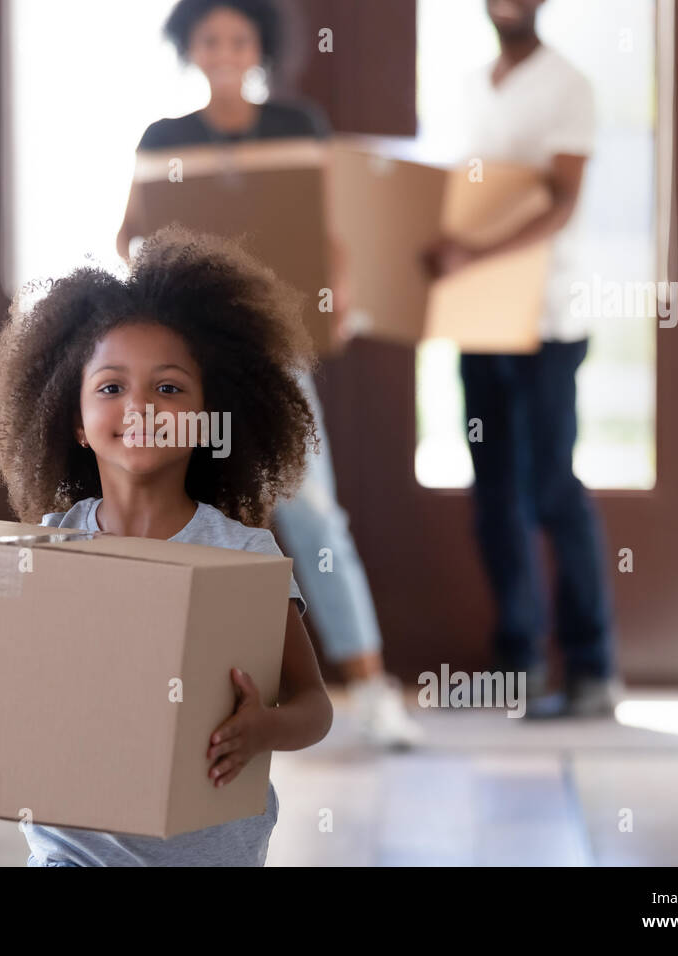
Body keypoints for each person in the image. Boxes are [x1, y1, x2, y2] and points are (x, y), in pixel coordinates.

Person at [117, 0, 423, 748]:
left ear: (260, 48)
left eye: (238, 38)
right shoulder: (165, 139)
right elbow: (129, 237)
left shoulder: (296, 126)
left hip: (276, 349)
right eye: (210, 38)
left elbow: (327, 235)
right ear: (190, 47)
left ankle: (368, 689)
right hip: (188, 353)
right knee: (182, 511)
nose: (224, 50)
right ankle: (166, 689)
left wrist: (337, 292)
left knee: (314, 515)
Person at [0, 225, 333, 865]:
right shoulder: (48, 548)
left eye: (168, 388)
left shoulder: (243, 555)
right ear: (77, 423)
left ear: (208, 417)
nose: (139, 406)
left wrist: (265, 728)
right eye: (111, 387)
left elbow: (315, 706)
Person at [424, 0, 622, 718]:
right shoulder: (474, 84)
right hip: (481, 323)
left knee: (550, 489)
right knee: (494, 496)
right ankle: (519, 662)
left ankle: (594, 666)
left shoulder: (569, 86)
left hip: (548, 323)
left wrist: (478, 252)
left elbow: (561, 201)